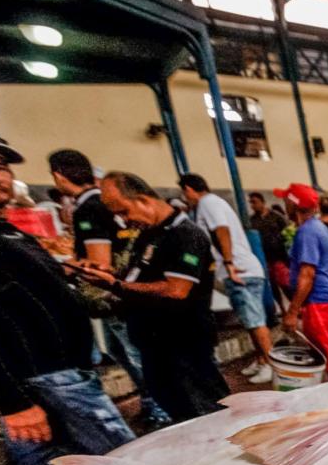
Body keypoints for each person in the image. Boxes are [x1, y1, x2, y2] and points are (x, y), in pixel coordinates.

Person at [0, 138, 135, 465]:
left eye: (0, 167)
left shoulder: (4, 232)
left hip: (60, 377)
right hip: (46, 380)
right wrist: (13, 403)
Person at [76, 171, 230, 423]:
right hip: (154, 344)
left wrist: (116, 285)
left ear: (144, 200)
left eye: (125, 212)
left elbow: (176, 289)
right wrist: (106, 274)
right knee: (178, 410)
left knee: (206, 414)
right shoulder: (149, 234)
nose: (124, 221)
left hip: (183, 345)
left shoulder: (186, 235)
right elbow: (139, 277)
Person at [48, 149, 172, 430]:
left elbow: (99, 263)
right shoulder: (103, 203)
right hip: (129, 291)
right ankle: (157, 402)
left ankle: (163, 406)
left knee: (133, 353)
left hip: (115, 297)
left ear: (58, 176)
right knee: (128, 351)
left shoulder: (90, 208)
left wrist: (61, 265)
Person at [179, 173, 273, 384]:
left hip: (240, 270)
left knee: (255, 320)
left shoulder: (208, 204)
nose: (186, 199)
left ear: (189, 189)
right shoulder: (211, 204)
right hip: (241, 269)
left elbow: (221, 231)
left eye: (185, 194)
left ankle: (270, 363)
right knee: (250, 321)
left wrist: (229, 264)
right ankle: (261, 359)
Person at [274, 182, 328, 377]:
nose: (284, 204)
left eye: (286, 200)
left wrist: (292, 312)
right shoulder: (321, 229)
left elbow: (307, 275)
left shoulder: (306, 232)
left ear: (293, 206)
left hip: (319, 306)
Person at [249, 191, 291, 294]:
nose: (253, 205)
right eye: (251, 203)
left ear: (263, 202)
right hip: (264, 258)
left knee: (285, 283)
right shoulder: (252, 220)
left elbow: (288, 231)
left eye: (255, 202)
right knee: (272, 285)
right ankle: (281, 307)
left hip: (279, 257)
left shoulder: (276, 216)